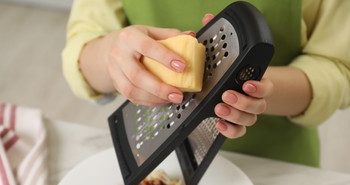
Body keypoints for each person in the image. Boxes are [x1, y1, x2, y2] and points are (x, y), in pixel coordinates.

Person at [62, 0, 350, 167]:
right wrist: (112, 54)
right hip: (156, 152)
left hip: (272, 163)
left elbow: (337, 67)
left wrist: (248, 81)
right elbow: (82, 47)